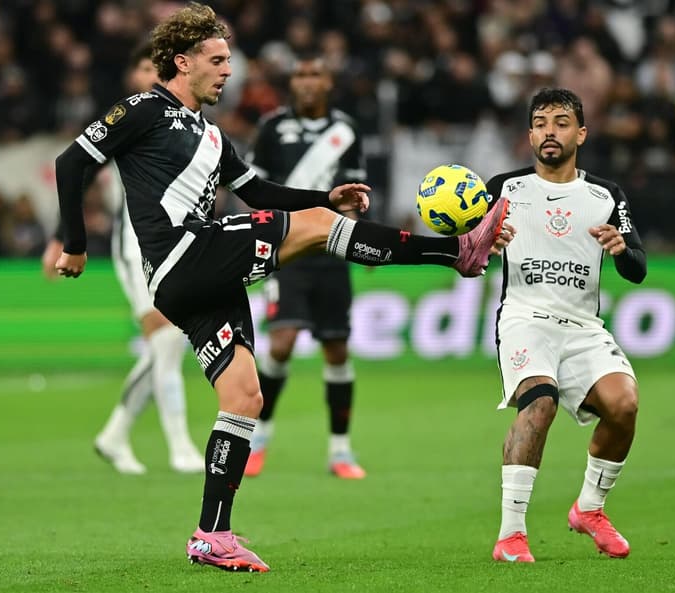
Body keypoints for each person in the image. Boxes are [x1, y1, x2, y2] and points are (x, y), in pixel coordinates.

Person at [53, 3, 513, 573]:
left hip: (199, 278)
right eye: (218, 60)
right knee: (320, 237)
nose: (229, 72)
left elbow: (261, 193)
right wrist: (76, 243)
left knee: (244, 395)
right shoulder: (146, 108)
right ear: (181, 61)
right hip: (182, 256)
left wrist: (324, 199)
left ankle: (211, 535)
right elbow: (71, 162)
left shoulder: (214, 138)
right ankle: (456, 252)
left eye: (230, 61)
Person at [486, 88, 646, 563]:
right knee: (540, 402)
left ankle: (589, 510)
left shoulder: (605, 195)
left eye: (560, 122)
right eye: (540, 122)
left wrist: (622, 248)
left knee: (624, 404)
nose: (549, 131)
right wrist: (484, 243)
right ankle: (510, 535)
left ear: (581, 132)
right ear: (529, 133)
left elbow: (637, 267)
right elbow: (466, 251)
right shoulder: (504, 188)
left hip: (582, 326)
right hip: (524, 318)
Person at [43, 43, 205, 475]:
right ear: (132, 76)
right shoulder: (127, 117)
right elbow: (80, 173)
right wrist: (61, 239)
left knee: (167, 346)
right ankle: (180, 446)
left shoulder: (185, 119)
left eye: (158, 67)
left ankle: (115, 434)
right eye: (143, 67)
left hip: (177, 240)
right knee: (167, 341)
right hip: (134, 241)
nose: (151, 74)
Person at [243, 54, 366, 480]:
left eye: (315, 74)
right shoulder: (273, 127)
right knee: (282, 343)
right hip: (288, 249)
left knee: (337, 348)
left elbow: (355, 194)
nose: (307, 82)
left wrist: (362, 242)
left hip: (332, 252)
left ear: (328, 82)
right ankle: (258, 439)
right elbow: (254, 187)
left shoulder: (347, 130)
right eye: (300, 75)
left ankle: (341, 451)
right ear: (291, 82)